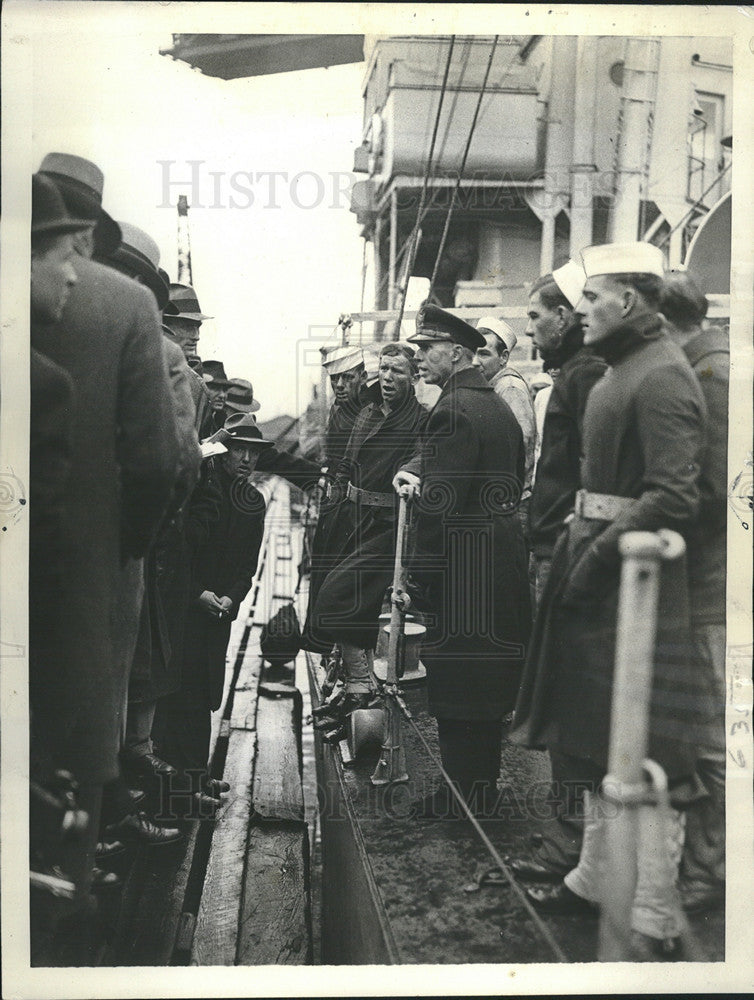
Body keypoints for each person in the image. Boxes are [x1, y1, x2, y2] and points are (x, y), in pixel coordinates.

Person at [510, 242, 711, 957]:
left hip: (634, 584)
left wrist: (594, 559)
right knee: (592, 730)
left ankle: (653, 905)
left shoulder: (660, 377)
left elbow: (674, 493)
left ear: (628, 301)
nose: (581, 311)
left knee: (647, 736)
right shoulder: (625, 369)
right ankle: (597, 873)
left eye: (592, 300)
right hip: (601, 574)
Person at [31, 157, 181, 918]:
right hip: (89, 553)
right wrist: (130, 543)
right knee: (81, 713)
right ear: (89, 231)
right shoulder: (125, 305)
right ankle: (68, 889)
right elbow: (157, 458)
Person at [394, 305, 531, 819]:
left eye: (426, 349)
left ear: (455, 353)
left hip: (464, 566)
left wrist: (419, 577)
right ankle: (480, 788)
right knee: (485, 680)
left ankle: (461, 797)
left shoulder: (452, 411)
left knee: (454, 678)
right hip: (500, 558)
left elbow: (438, 506)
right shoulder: (493, 405)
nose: (418, 357)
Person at [502, 260, 608, 881]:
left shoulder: (583, 379)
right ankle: (577, 839)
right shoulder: (576, 375)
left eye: (537, 316)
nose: (531, 328)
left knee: (568, 698)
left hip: (566, 556)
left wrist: (566, 542)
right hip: (555, 549)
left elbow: (597, 473)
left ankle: (574, 843)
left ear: (566, 317)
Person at [153, 416, 272, 805]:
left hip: (218, 613)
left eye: (254, 453)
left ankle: (197, 776)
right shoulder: (201, 492)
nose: (247, 459)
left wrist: (233, 598)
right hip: (185, 609)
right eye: (240, 450)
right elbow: (175, 557)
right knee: (179, 694)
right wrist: (197, 594)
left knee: (205, 692)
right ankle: (181, 787)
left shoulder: (253, 502)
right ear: (223, 453)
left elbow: (246, 567)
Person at [311, 343, 428, 736]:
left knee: (336, 596)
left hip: (387, 527)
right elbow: (346, 461)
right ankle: (356, 691)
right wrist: (335, 489)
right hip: (351, 518)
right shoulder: (367, 411)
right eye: (384, 369)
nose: (389, 378)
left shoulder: (420, 420)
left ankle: (362, 687)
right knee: (351, 607)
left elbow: (423, 459)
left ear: (414, 376)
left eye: (397, 370)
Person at [661, 270, 728, 914]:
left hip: (714, 588)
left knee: (714, 733)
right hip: (702, 583)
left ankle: (711, 869)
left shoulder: (714, 378)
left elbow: (719, 497)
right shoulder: (704, 367)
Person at [301, 346, 367, 653]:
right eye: (334, 378)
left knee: (346, 590)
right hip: (334, 505)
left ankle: (354, 672)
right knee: (324, 577)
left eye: (347, 378)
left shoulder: (370, 413)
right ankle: (331, 655)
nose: (339, 385)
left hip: (357, 511)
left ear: (362, 378)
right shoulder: (337, 411)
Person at [473, 316, 537, 542]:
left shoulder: (509, 387)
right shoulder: (492, 385)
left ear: (504, 357)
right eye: (474, 352)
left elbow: (522, 442)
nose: (474, 361)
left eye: (484, 354)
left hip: (511, 505)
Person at [162, 283, 214, 437]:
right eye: (187, 326)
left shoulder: (196, 384)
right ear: (164, 325)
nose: (196, 336)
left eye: (198, 327)